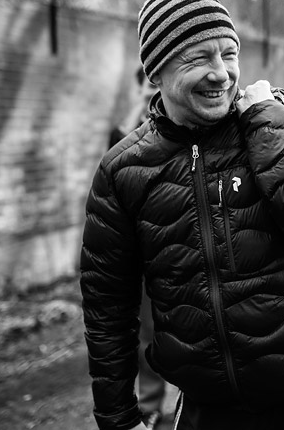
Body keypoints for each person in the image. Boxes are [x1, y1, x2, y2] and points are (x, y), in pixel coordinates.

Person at [80, 0, 284, 430]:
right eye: (199, 57)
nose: (222, 73)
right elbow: (107, 305)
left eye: (229, 54)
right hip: (210, 409)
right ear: (156, 72)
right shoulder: (122, 171)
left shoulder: (278, 123)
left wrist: (267, 125)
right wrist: (117, 416)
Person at [107, 68, 166, 430]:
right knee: (147, 336)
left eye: (155, 84)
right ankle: (151, 403)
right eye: (146, 84)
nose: (151, 91)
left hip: (178, 245)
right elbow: (115, 155)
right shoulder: (127, 132)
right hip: (143, 249)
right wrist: (139, 106)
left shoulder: (177, 122)